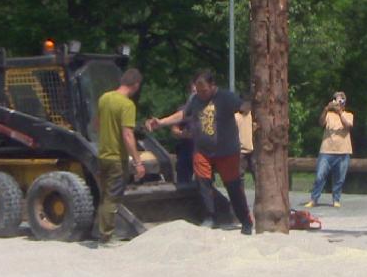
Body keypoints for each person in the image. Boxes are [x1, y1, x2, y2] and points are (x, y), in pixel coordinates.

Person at [147, 70, 253, 235]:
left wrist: (251, 100)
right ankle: (210, 216)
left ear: (212, 85)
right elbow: (183, 114)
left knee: (233, 187)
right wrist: (161, 122)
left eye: (204, 90)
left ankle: (245, 221)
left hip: (227, 151)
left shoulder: (225, 97)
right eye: (198, 89)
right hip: (202, 150)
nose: (201, 94)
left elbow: (243, 107)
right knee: (202, 183)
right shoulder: (195, 99)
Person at [95, 68, 147, 242]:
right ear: (136, 85)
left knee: (105, 196)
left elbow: (96, 124)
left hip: (102, 155)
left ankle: (101, 231)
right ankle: (106, 236)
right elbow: (127, 135)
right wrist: (138, 162)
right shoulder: (127, 105)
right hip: (118, 158)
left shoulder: (104, 98)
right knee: (112, 197)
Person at [304, 91, 354, 208]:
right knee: (320, 175)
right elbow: (321, 122)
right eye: (336, 100)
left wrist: (340, 112)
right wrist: (327, 108)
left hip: (343, 151)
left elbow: (348, 125)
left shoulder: (348, 114)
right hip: (326, 150)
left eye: (341, 100)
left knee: (339, 178)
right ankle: (314, 199)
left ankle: (336, 199)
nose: (338, 102)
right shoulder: (328, 115)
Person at [171, 81, 196, 185]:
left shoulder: (209, 109)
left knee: (206, 182)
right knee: (183, 181)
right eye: (193, 91)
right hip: (186, 147)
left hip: (204, 149)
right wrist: (182, 134)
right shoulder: (182, 110)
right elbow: (174, 129)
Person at [236, 100, 255, 184]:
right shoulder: (236, 117)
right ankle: (241, 195)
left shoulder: (251, 115)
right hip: (240, 151)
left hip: (252, 149)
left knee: (256, 173)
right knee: (240, 175)